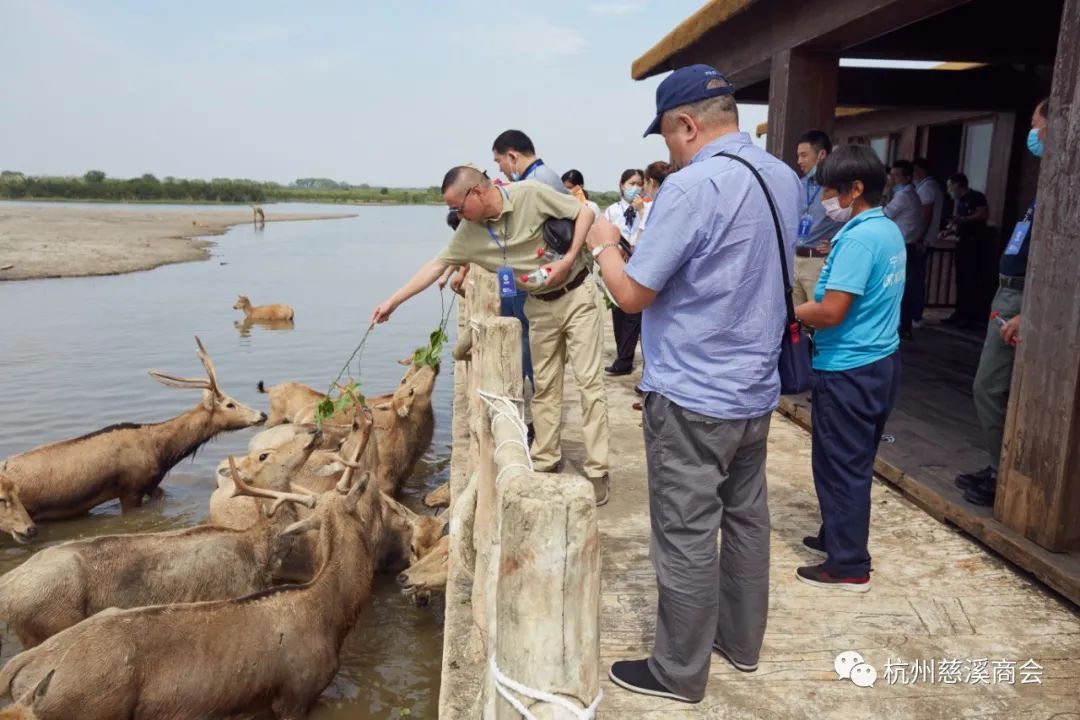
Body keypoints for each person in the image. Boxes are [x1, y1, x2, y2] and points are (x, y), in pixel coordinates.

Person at [587, 63, 800, 704]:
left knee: (685, 533)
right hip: (755, 391)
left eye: (666, 137)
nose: (669, 150)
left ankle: (678, 671)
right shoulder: (783, 177)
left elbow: (631, 295)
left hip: (692, 396)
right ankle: (740, 643)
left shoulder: (690, 187)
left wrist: (603, 243)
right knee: (746, 520)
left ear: (686, 124)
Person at [371, 166, 612, 505]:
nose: (457, 216)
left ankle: (598, 470)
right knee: (544, 386)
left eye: (458, 207)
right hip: (539, 305)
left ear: (477, 192)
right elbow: (435, 266)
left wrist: (568, 257)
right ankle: (545, 458)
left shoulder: (529, 193)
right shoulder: (469, 232)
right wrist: (393, 302)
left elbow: (584, 213)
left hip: (576, 293)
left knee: (589, 384)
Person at [792, 145, 905, 592]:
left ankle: (848, 565)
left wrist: (790, 313)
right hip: (879, 361)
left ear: (855, 189)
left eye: (830, 191)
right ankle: (836, 535)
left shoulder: (858, 239)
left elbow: (831, 311)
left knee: (840, 466)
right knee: (852, 459)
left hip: (849, 367)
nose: (825, 200)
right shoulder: (886, 230)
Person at [955, 98, 1048, 507]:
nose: (1032, 132)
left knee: (990, 387)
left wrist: (1031, 311)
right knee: (996, 388)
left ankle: (1002, 472)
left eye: (1035, 123)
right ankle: (998, 465)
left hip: (1023, 297)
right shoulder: (1047, 184)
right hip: (1009, 290)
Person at [602, 169, 646, 376]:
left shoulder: (647, 209)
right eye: (631, 183)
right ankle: (623, 355)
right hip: (617, 265)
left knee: (634, 314)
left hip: (639, 265)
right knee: (618, 312)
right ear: (621, 185)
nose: (635, 188)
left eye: (639, 184)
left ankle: (625, 360)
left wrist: (642, 212)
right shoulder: (612, 211)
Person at [793, 131, 844, 305]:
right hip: (796, 259)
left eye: (804, 155)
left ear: (822, 154)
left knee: (818, 316)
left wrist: (837, 246)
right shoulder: (800, 184)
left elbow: (852, 218)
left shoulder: (837, 185)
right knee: (796, 317)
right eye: (798, 156)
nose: (799, 161)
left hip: (818, 262)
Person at [942, 173, 989, 328]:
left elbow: (982, 214)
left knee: (970, 280)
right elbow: (958, 221)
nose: (949, 190)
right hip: (962, 242)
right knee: (960, 279)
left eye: (950, 186)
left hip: (974, 244)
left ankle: (970, 316)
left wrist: (964, 220)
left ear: (957, 184)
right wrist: (949, 230)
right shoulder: (960, 201)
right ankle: (959, 313)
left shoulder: (976, 197)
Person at [883, 160, 923, 339]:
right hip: (906, 245)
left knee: (897, 287)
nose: (893, 179)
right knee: (902, 286)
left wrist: (884, 193)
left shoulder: (903, 196)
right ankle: (902, 325)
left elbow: (884, 214)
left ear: (907, 178)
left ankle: (899, 325)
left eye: (896, 176)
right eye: (891, 176)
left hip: (902, 245)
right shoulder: (909, 194)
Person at [912, 158, 944, 327]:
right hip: (924, 238)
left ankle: (915, 315)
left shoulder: (927, 188)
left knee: (915, 278)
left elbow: (926, 215)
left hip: (922, 240)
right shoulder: (927, 186)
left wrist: (920, 238)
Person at [492, 129, 567, 194]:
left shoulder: (533, 183)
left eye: (498, 161)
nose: (500, 169)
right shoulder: (542, 174)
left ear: (512, 157)